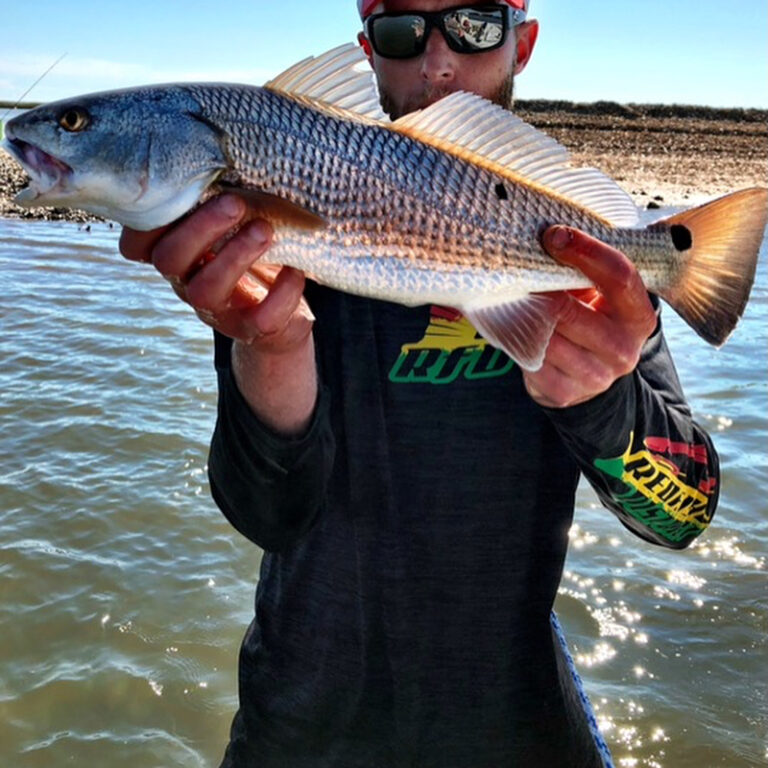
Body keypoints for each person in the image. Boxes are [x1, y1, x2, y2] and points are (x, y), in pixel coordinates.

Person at [120, 1, 720, 765]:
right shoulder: (275, 237)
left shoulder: (586, 267)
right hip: (299, 728)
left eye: (474, 25)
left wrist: (601, 399)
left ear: (523, 42)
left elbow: (681, 515)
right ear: (367, 49)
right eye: (403, 30)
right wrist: (270, 351)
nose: (437, 61)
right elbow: (267, 514)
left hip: (514, 727)